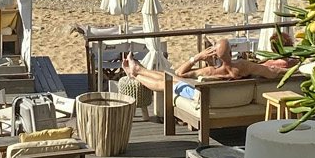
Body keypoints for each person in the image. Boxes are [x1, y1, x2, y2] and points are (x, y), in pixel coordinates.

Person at [123, 38, 296, 100]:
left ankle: (136, 73)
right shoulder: (244, 67)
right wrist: (295, 69)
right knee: (167, 78)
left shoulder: (209, 72)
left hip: (202, 97)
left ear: (214, 55)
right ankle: (138, 70)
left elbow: (179, 73)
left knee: (167, 81)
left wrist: (197, 57)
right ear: (231, 52)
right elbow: (272, 72)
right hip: (228, 97)